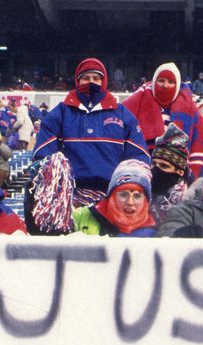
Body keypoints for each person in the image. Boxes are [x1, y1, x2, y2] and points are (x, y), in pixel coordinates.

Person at [30, 58, 149, 233]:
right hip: (69, 198)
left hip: (112, 198)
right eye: (86, 78)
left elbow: (139, 158)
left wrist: (124, 188)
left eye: (96, 78)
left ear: (104, 81)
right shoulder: (61, 113)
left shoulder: (122, 114)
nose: (91, 82)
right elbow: (43, 156)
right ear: (77, 81)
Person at [121, 62, 203, 178]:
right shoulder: (139, 101)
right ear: (154, 81)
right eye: (161, 81)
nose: (165, 85)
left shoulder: (188, 107)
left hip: (176, 172)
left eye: (170, 82)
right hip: (141, 169)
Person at [72, 160, 157, 237]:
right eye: (123, 194)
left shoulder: (156, 232)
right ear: (111, 195)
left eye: (137, 196)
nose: (130, 202)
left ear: (146, 200)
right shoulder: (80, 217)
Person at [148, 124, 189, 224]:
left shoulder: (189, 205)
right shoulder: (141, 197)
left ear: (180, 172)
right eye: (154, 164)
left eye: (164, 166)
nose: (156, 170)